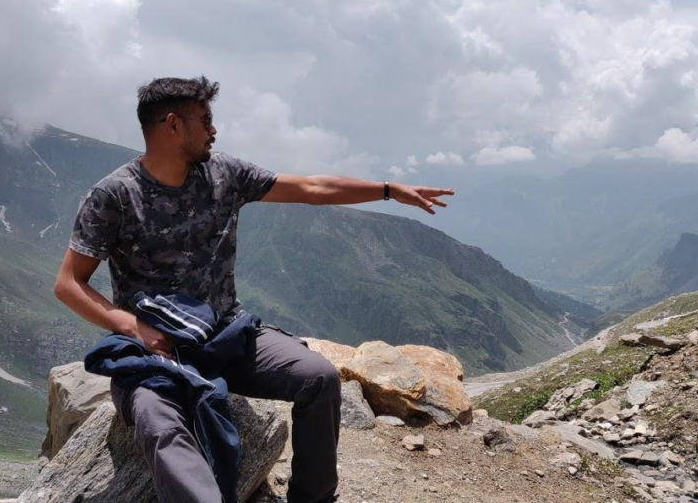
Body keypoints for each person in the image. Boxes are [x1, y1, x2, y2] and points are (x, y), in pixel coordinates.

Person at [53, 75, 454, 503]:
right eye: (205, 120)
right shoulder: (114, 195)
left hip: (227, 334)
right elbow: (68, 283)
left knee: (318, 378)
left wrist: (389, 191)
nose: (214, 130)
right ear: (173, 125)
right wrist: (133, 327)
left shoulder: (224, 173)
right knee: (158, 421)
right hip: (160, 348)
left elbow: (311, 189)